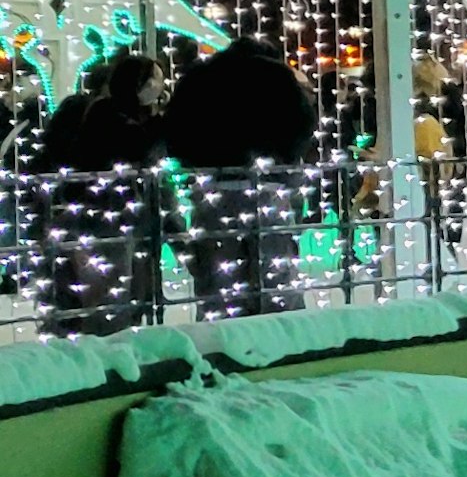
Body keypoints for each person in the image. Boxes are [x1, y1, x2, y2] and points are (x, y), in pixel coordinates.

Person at [160, 36, 321, 318]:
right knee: (274, 273)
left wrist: (197, 160)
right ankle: (279, 335)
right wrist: (282, 157)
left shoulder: (199, 78)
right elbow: (303, 126)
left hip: (213, 185)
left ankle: (222, 339)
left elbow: (174, 133)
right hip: (269, 185)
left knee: (219, 277)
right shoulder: (277, 77)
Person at [36, 51, 165, 336]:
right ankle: (101, 349)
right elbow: (135, 147)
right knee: (105, 293)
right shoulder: (106, 113)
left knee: (106, 290)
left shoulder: (111, 112)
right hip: (98, 214)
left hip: (95, 212)